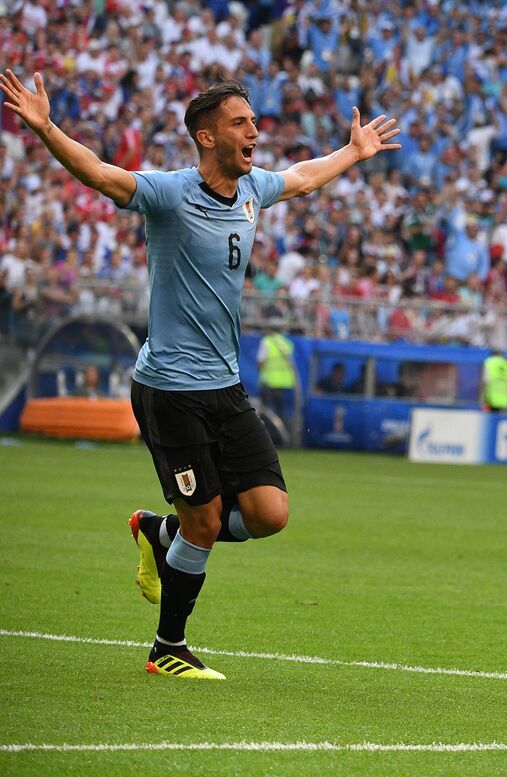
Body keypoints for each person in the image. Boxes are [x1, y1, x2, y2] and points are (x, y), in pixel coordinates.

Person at [1, 71, 400, 680]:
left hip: (225, 387)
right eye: (241, 123)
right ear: (206, 137)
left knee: (270, 513)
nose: (255, 132)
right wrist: (47, 127)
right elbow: (101, 175)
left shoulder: (251, 191)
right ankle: (168, 648)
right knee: (207, 522)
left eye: (254, 121)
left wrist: (352, 151)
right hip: (169, 390)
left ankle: (159, 532)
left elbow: (302, 177)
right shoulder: (168, 193)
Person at [257, 330, 296, 423]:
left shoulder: (266, 341)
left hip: (269, 383)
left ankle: (267, 434)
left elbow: (260, 361)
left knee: (266, 413)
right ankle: (280, 436)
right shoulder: (286, 343)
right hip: (285, 384)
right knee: (280, 414)